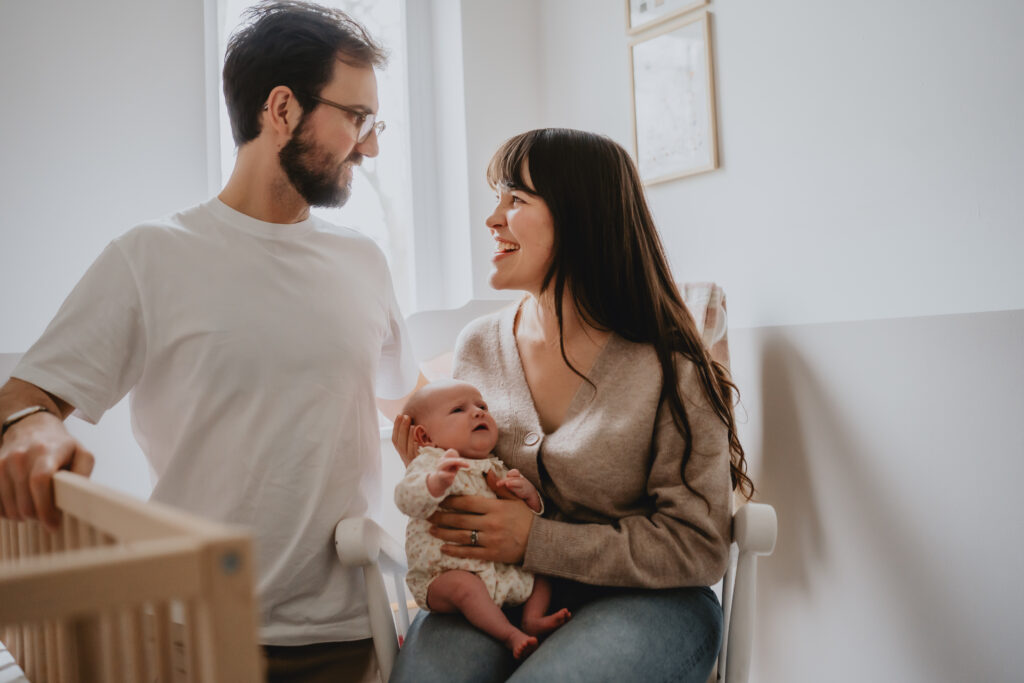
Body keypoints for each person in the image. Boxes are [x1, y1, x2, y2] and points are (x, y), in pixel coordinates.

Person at [0, 3, 425, 681]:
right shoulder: (152, 256)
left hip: (350, 629)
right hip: (188, 630)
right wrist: (29, 426)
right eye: (357, 118)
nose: (370, 146)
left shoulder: (363, 261)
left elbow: (413, 400)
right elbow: (23, 396)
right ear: (282, 109)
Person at [389, 128, 755, 682]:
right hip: (497, 592)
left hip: (651, 602)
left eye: (515, 200)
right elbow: (472, 484)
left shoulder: (674, 364)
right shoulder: (479, 345)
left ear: (581, 217)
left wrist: (536, 540)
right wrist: (432, 471)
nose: (492, 219)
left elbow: (697, 548)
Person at [394, 379, 571, 660]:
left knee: (544, 563)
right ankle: (509, 635)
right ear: (425, 438)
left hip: (500, 572)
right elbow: (405, 498)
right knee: (466, 587)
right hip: (445, 575)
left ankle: (532, 618)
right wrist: (436, 482)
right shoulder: (430, 463)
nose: (478, 412)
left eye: (482, 406)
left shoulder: (495, 464)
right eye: (458, 410)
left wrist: (529, 495)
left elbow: (532, 517)